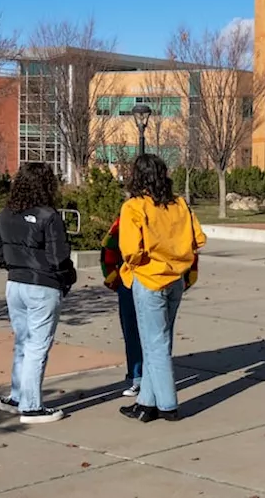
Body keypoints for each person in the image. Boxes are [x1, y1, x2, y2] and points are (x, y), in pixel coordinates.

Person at [118, 153, 206, 423]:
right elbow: (198, 239)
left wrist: (139, 263)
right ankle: (146, 402)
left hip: (149, 278)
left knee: (154, 344)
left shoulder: (134, 206)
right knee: (159, 342)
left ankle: (167, 403)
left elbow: (130, 250)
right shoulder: (179, 204)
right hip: (175, 279)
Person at [0, 162, 77, 424]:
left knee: (23, 342)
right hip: (43, 285)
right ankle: (31, 406)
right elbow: (58, 256)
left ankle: (18, 397)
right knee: (38, 346)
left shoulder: (6, 214)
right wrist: (67, 277)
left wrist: (11, 264)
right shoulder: (49, 216)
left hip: (15, 283)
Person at [99, 215, 142, 398]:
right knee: (157, 334)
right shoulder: (175, 210)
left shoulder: (128, 213)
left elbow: (107, 247)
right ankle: (140, 376)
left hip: (134, 281)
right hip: (136, 280)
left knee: (135, 331)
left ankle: (140, 378)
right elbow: (109, 247)